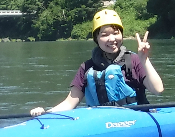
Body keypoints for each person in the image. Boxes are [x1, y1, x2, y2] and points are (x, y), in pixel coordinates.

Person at [29, 9, 164, 115]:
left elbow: (158, 90)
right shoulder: (87, 67)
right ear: (96, 39)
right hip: (101, 122)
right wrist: (45, 114)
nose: (112, 39)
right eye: (104, 35)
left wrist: (144, 58)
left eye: (116, 33)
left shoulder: (133, 60)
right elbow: (69, 103)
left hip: (136, 117)